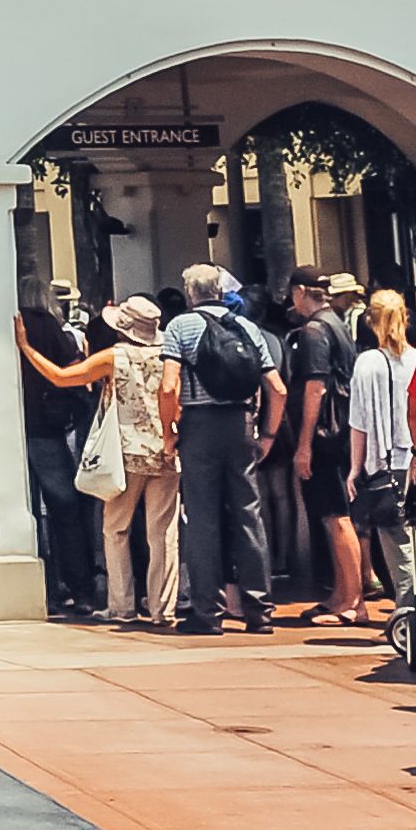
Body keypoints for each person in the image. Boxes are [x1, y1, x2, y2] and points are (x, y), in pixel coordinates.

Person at [22, 294, 177, 625]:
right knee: (162, 533)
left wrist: (27, 348)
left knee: (115, 529)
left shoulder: (115, 357)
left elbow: (62, 377)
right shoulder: (169, 354)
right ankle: (163, 608)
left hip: (127, 454)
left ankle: (122, 605)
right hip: (165, 450)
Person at [162, 263, 275, 634]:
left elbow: (168, 386)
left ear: (190, 292)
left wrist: (169, 432)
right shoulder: (247, 328)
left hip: (199, 426)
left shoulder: (180, 326)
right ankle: (259, 610)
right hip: (241, 424)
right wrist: (268, 434)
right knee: (248, 513)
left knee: (202, 519)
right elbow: (279, 387)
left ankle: (207, 612)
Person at [17, 276, 102, 620]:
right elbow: (75, 371)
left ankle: (46, 587)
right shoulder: (49, 326)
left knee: (31, 512)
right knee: (64, 509)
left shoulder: (15, 323)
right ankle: (79, 588)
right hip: (48, 428)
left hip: (20, 426)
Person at [279, 268, 355, 615]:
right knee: (333, 514)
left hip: (326, 436)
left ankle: (352, 598)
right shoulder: (336, 323)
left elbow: (316, 386)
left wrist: (304, 443)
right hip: (340, 433)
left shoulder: (313, 331)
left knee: (335, 515)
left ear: (299, 293)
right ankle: (342, 594)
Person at [341, 285, 416, 628]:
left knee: (397, 543)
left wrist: (354, 469)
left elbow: (359, 422)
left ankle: (409, 611)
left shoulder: (368, 363)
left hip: (383, 465)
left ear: (370, 322)